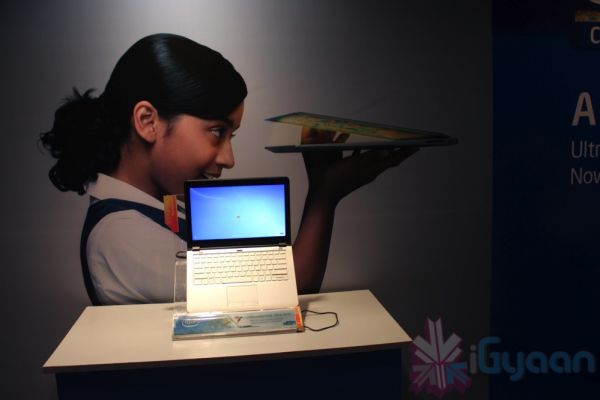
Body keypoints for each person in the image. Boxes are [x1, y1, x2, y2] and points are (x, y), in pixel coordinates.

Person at [40, 33, 417, 305]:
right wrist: (324, 194)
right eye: (217, 132)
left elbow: (269, 269)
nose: (228, 158)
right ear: (148, 122)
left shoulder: (162, 204)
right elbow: (286, 289)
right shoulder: (122, 235)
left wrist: (321, 188)